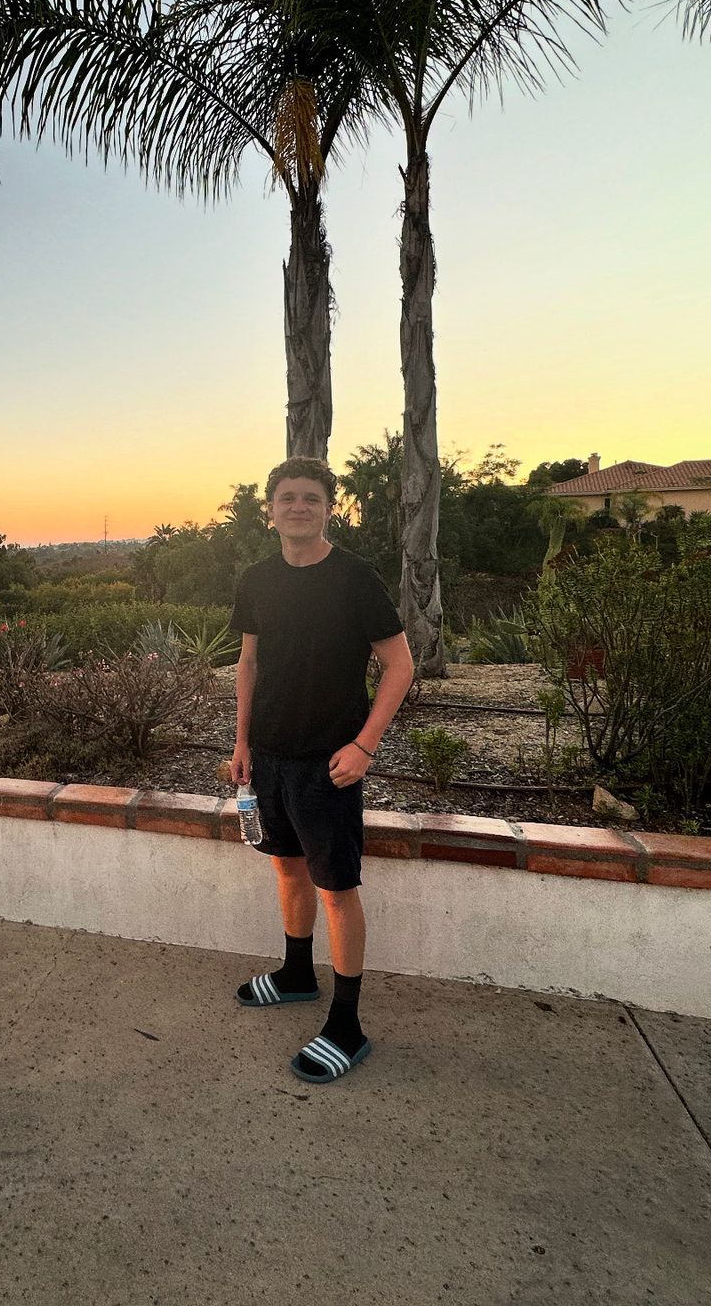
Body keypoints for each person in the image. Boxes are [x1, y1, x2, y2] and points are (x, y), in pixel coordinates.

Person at [228, 456, 414, 1084]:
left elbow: (400, 665)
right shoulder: (256, 579)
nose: (298, 506)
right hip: (270, 757)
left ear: (329, 507)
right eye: (287, 497)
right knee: (286, 865)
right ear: (271, 508)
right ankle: (297, 973)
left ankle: (347, 1024)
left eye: (311, 497)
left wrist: (364, 745)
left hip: (330, 765)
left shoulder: (354, 578)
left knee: (337, 887)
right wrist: (242, 744)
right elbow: (249, 664)